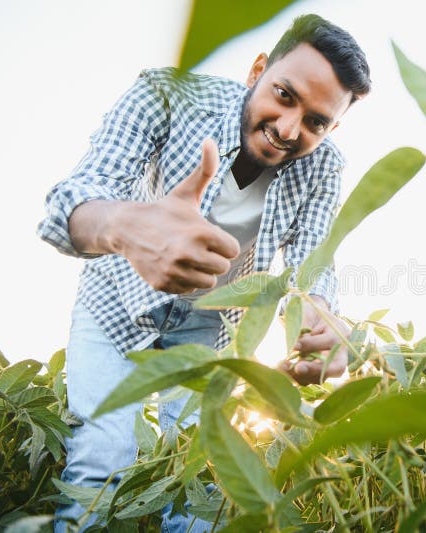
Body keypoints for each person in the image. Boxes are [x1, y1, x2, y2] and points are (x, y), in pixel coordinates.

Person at [37, 13, 370, 532]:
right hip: (115, 303)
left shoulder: (324, 167)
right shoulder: (168, 96)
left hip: (210, 331)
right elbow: (69, 203)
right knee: (103, 455)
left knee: (195, 481)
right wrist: (127, 228)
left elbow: (313, 263)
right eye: (284, 95)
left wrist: (319, 316)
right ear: (257, 70)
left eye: (315, 122)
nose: (288, 130)